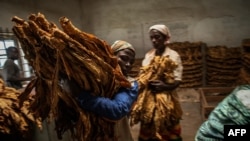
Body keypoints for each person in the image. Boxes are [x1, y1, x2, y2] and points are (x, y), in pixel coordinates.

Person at [75, 40, 138, 141]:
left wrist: (80, 96)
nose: (128, 64)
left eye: (131, 62)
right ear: (111, 56)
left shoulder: (131, 84)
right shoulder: (96, 78)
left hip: (119, 136)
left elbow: (117, 110)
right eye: (124, 58)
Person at [138, 24, 183, 141]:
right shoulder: (148, 55)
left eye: (157, 37)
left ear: (165, 38)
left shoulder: (173, 56)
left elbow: (178, 80)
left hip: (167, 99)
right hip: (149, 98)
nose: (154, 40)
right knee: (148, 124)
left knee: (168, 124)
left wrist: (165, 86)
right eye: (152, 37)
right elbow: (143, 75)